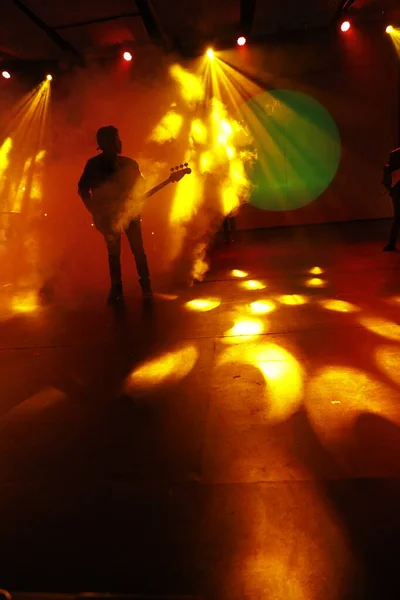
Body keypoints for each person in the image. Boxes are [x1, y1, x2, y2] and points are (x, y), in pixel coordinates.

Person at [78, 126, 152, 303]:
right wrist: (95, 210)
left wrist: (135, 200)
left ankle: (145, 288)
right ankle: (118, 289)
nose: (121, 142)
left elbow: (140, 186)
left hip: (130, 215)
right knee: (115, 254)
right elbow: (82, 189)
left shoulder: (130, 164)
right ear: (109, 143)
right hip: (107, 216)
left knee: (137, 250)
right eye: (117, 139)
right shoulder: (93, 165)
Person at [383, 147, 400, 252]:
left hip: (396, 191)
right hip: (397, 191)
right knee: (397, 217)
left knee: (397, 218)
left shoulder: (394, 154)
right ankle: (391, 243)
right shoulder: (395, 154)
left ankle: (391, 244)